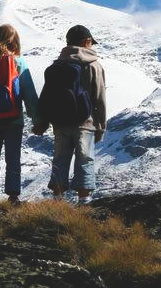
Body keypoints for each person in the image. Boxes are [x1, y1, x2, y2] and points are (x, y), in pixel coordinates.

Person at [36, 24, 106, 204]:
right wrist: (101, 127)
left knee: (60, 159)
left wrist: (43, 121)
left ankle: (58, 199)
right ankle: (84, 200)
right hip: (85, 122)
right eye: (91, 43)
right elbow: (99, 98)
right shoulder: (93, 66)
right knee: (85, 159)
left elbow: (46, 95)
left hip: (60, 123)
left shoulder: (57, 65)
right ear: (86, 42)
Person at [0, 24, 41, 205]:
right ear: (15, 41)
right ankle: (13, 196)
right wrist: (37, 119)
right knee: (13, 157)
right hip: (13, 118)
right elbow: (29, 93)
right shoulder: (18, 62)